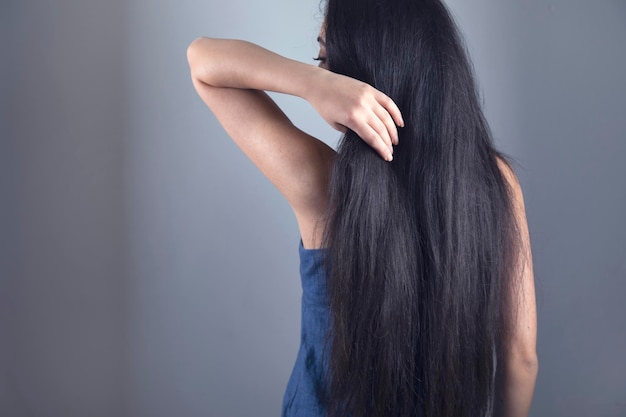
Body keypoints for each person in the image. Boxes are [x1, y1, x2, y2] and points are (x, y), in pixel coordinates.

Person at [186, 0, 538, 416]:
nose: (322, 72)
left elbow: (202, 60)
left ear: (362, 74)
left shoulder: (322, 184)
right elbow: (521, 358)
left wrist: (312, 86)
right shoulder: (496, 183)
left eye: (327, 59)